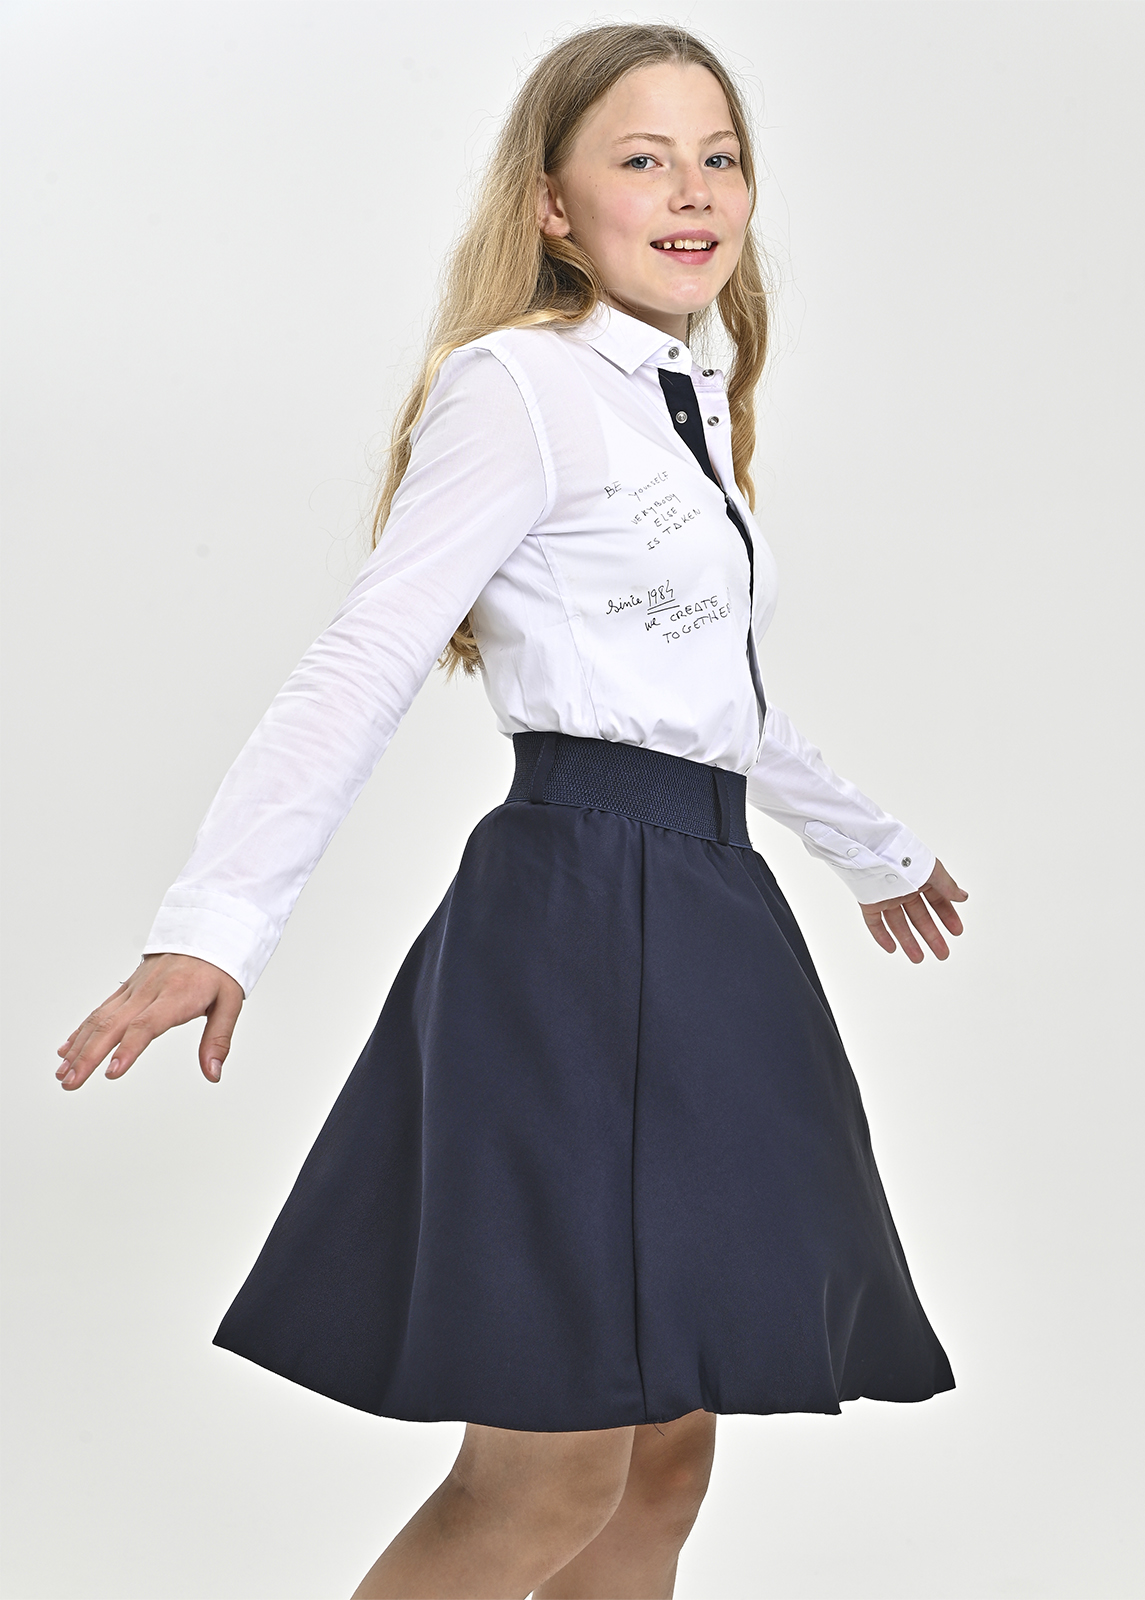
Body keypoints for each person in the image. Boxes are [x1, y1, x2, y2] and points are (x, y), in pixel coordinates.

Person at [56, 23, 967, 1600]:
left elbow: (716, 700)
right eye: (643, 159)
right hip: (579, 925)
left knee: (667, 1460)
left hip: (712, 912)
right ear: (552, 204)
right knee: (548, 1469)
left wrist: (873, 846)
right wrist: (214, 926)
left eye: (720, 158)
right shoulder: (521, 385)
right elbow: (366, 656)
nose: (693, 192)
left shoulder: (692, 397)